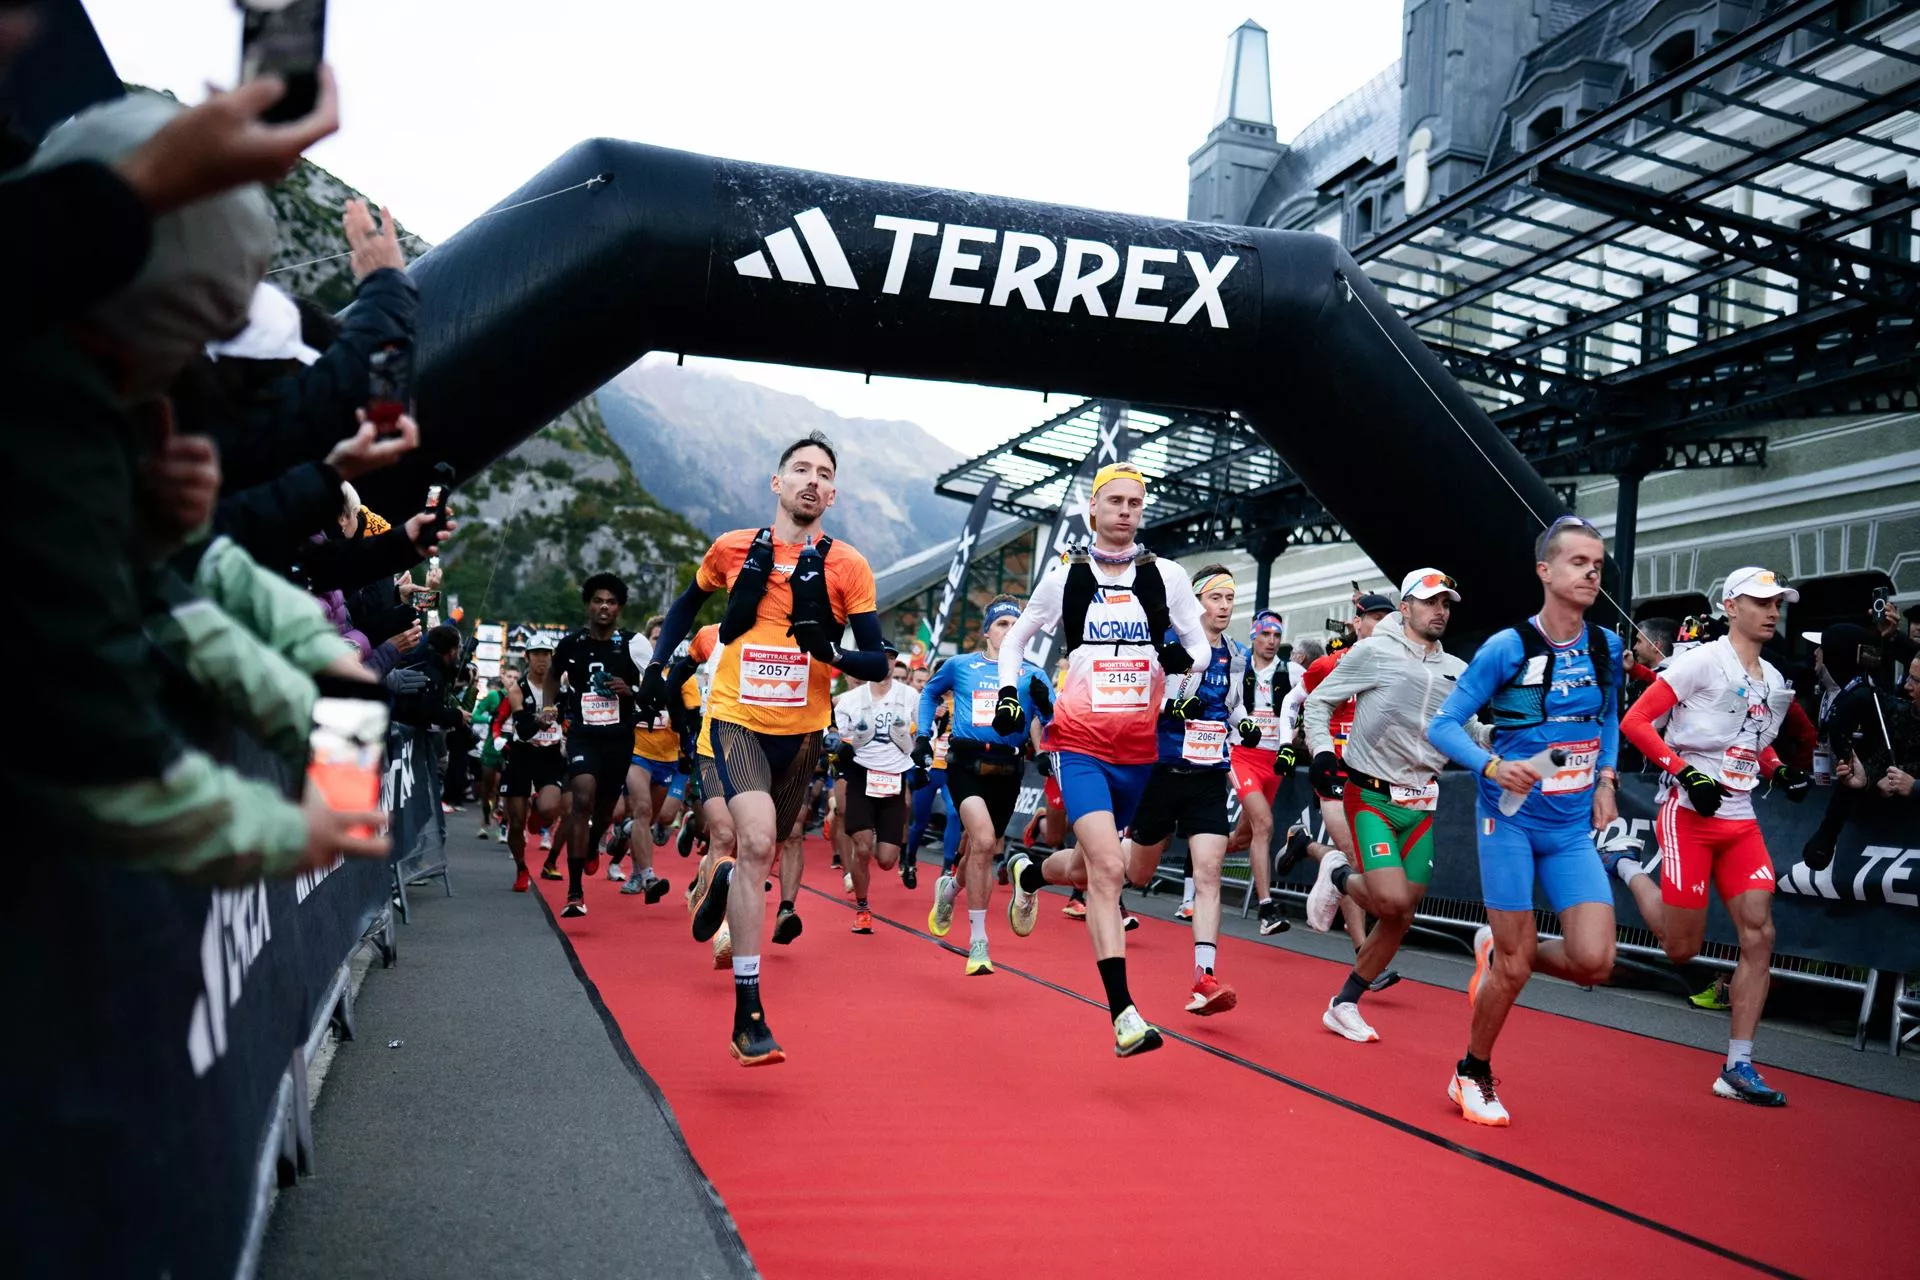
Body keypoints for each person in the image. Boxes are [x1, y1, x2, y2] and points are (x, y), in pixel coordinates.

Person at [641, 432, 887, 1066]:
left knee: (766, 850)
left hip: (801, 734)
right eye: (800, 469)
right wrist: (659, 664)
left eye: (823, 474)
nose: (812, 480)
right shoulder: (732, 548)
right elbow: (685, 604)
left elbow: (877, 659)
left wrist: (830, 653)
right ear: (777, 483)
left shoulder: (848, 566)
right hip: (735, 719)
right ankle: (748, 1015)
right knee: (753, 843)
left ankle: (717, 879)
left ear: (832, 494)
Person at [999, 462, 1210, 1056]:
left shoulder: (1166, 575)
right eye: (1114, 501)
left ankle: (1030, 871)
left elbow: (1198, 647)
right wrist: (1011, 693)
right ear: (1093, 508)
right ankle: (1124, 1014)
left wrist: (1182, 675)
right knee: (1110, 870)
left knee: (1099, 866)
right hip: (1079, 741)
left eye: (1134, 503)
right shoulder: (1064, 575)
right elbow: (1016, 639)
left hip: (1139, 748)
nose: (1125, 511)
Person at [1428, 515, 1625, 1127]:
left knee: (1595, 960)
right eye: (1578, 562)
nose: (1591, 573)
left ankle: (1499, 949)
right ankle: (1472, 1072)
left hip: (1569, 830)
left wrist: (1606, 780)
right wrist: (1490, 766)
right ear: (1545, 570)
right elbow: (1442, 726)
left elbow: (1609, 718)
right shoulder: (1507, 647)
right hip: (1508, 821)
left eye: (1597, 565)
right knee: (1515, 969)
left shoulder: (1605, 646)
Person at [1616, 568, 1810, 1106]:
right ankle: (1626, 865)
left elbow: (1752, 742)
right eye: (1761, 602)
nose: (1772, 612)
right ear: (1730, 606)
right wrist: (1685, 773)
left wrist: (1778, 771)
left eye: (1778, 603)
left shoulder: (1774, 679)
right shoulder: (1700, 661)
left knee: (1760, 935)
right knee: (1682, 948)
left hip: (1740, 818)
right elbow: (1636, 722)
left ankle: (1738, 1066)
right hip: (1687, 816)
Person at [1303, 569, 1485, 1043]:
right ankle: (1337, 872)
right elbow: (1318, 703)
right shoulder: (1374, 651)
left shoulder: (1457, 669)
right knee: (1390, 900)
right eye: (1429, 602)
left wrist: (1503, 739)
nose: (1439, 611)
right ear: (1405, 608)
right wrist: (1321, 751)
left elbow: (1467, 731)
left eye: (1445, 603)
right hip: (1371, 794)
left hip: (1422, 802)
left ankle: (1344, 1004)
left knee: (1401, 915)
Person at [1119, 565, 1251, 1015]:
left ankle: (1204, 976)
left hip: (1208, 776)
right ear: (1197, 603)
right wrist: (1172, 707)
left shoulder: (1236, 654)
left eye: (1230, 598)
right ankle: (1084, 864)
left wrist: (1246, 725)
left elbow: (1233, 706)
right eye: (1216, 598)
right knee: (1138, 874)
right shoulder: (1171, 645)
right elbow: (1140, 698)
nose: (1224, 607)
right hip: (1162, 772)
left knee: (1209, 872)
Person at [916, 597, 1048, 975]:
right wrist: (923, 736)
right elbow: (929, 693)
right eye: (1002, 624)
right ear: (987, 631)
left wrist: (1047, 738)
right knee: (986, 842)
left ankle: (950, 889)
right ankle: (978, 942)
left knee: (980, 847)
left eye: (1015, 625)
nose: (1009, 631)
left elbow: (1052, 719)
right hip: (966, 763)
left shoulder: (1032, 674)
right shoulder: (961, 665)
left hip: (1009, 768)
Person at [1278, 597, 1399, 958]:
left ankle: (1307, 846)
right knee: (1353, 855)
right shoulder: (1329, 664)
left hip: (1375, 774)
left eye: (1388, 618)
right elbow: (1291, 702)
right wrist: (1286, 745)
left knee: (1363, 862)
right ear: (1357, 623)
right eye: (1374, 618)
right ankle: (1362, 949)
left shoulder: (1397, 667)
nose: (1382, 624)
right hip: (1334, 771)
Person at [547, 574, 649, 918]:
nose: (604, 607)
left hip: (619, 738)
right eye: (597, 601)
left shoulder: (633, 644)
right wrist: (548, 707)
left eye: (611, 602)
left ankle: (593, 843)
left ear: (619, 608)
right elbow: (552, 675)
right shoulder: (571, 644)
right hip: (583, 735)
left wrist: (632, 692)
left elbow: (657, 688)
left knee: (606, 811)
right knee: (581, 799)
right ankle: (575, 891)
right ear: (588, 605)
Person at [1226, 609, 1299, 935]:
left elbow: (1316, 698)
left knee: (1244, 837)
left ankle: (1202, 852)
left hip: (1275, 762)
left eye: (1277, 636)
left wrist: (1296, 735)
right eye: (1266, 635)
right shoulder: (1238, 667)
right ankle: (1266, 909)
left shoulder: (1292, 671)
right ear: (1254, 636)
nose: (1271, 641)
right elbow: (1223, 701)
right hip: (1241, 756)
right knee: (1265, 824)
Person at [836, 642, 918, 930]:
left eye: (891, 659)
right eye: (881, 658)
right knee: (862, 847)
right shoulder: (850, 700)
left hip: (893, 778)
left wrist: (920, 754)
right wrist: (842, 745)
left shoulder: (910, 696)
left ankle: (877, 840)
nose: (886, 664)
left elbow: (924, 732)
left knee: (885, 860)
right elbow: (836, 736)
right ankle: (862, 908)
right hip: (861, 775)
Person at [617, 615, 692, 901]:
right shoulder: (634, 671)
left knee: (651, 819)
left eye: (665, 640)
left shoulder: (680, 675)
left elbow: (690, 715)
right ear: (646, 642)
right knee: (643, 810)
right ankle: (644, 875)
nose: (660, 644)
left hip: (667, 756)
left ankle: (628, 837)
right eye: (655, 639)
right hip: (636, 752)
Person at [498, 640, 570, 891]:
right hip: (522, 754)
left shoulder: (561, 689)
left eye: (546, 654)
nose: (542, 659)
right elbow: (524, 731)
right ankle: (521, 868)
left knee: (551, 808)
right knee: (516, 821)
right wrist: (539, 721)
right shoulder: (517, 690)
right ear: (527, 657)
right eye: (537, 654)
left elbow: (570, 719)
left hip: (550, 755)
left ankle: (539, 812)